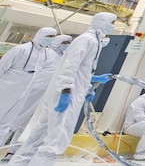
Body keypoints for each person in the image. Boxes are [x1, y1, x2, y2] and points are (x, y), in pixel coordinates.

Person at [9, 13, 116, 166]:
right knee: (57, 139)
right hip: (66, 95)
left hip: (67, 92)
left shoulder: (94, 42)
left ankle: (18, 163)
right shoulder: (87, 40)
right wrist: (66, 92)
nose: (112, 26)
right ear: (102, 22)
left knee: (38, 137)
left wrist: (90, 85)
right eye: (111, 22)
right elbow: (69, 67)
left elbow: (81, 71)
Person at [1, 35, 72, 156]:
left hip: (43, 95)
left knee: (27, 123)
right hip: (31, 91)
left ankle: (14, 150)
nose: (67, 45)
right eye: (65, 42)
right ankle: (3, 146)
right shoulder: (46, 53)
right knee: (13, 121)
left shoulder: (62, 58)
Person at [0, 27, 58, 146]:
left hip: (24, 90)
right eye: (48, 36)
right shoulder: (21, 49)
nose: (49, 40)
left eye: (52, 37)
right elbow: (2, 66)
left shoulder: (45, 54)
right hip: (7, 88)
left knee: (6, 122)